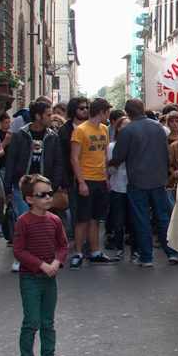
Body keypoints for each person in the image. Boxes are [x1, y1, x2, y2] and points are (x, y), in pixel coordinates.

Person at [109, 99, 178, 267]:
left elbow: (119, 156)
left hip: (137, 179)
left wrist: (109, 166)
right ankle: (172, 252)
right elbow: (166, 154)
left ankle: (145, 256)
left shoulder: (127, 130)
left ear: (128, 112)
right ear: (142, 109)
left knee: (141, 218)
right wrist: (165, 174)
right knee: (162, 217)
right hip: (157, 178)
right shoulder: (158, 127)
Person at [13, 173, 69, 356]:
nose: (48, 198)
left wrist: (56, 262)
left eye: (49, 193)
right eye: (42, 194)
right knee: (31, 322)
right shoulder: (23, 221)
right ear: (29, 199)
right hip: (30, 279)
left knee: (48, 321)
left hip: (49, 279)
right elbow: (18, 251)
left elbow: (63, 245)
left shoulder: (54, 220)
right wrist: (41, 265)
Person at [4, 101, 67, 272]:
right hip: (22, 186)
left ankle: (38, 256)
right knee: (22, 221)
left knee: (41, 222)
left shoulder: (52, 137)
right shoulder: (20, 135)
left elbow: (58, 163)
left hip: (44, 188)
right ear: (38, 116)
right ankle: (20, 257)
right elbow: (11, 163)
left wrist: (53, 186)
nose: (51, 117)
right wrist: (8, 189)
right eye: (48, 114)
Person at [70, 97, 115, 268]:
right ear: (101, 112)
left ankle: (95, 252)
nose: (108, 116)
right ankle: (78, 253)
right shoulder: (80, 130)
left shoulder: (104, 130)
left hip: (100, 180)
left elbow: (104, 156)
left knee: (95, 219)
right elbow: (74, 158)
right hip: (86, 180)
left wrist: (106, 178)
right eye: (107, 112)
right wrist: (81, 182)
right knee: (83, 219)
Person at [58, 97, 90, 238]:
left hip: (91, 175)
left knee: (90, 214)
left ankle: (89, 244)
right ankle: (80, 244)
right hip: (72, 178)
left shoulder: (91, 127)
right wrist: (64, 181)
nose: (85, 110)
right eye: (81, 108)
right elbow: (61, 158)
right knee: (76, 213)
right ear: (73, 110)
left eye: (86, 107)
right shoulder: (64, 130)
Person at [107, 116, 134, 261]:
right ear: (118, 128)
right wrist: (116, 162)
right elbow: (110, 170)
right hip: (117, 186)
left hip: (133, 185)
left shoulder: (136, 145)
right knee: (119, 220)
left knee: (134, 219)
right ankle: (119, 249)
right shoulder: (111, 147)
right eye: (124, 125)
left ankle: (135, 250)